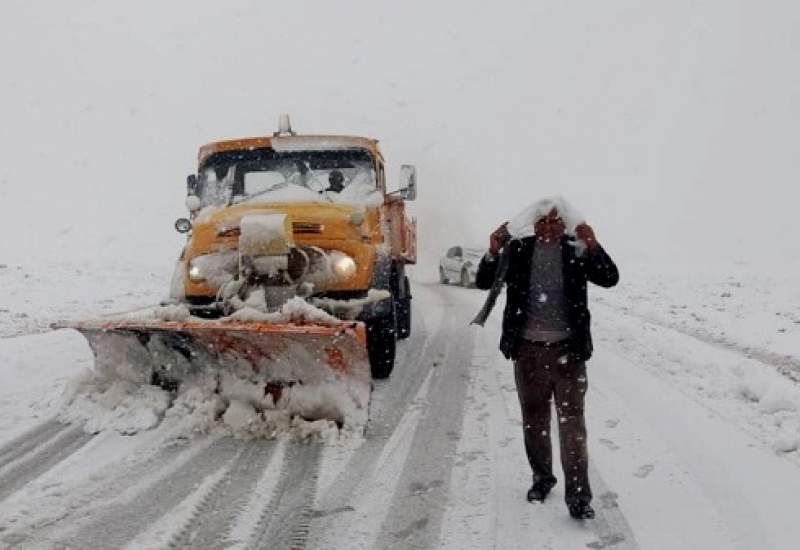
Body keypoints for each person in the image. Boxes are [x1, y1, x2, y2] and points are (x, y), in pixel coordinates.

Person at [476, 199, 619, 520]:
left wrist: (593, 244)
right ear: (533, 224)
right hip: (527, 352)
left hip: (569, 354)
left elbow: (610, 278)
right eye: (543, 221)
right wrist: (493, 251)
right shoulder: (519, 250)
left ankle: (579, 497)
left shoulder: (576, 250)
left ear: (565, 224)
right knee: (535, 422)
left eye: (556, 221)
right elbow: (484, 282)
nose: (549, 227)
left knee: (573, 427)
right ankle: (542, 479)